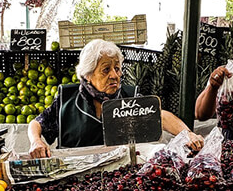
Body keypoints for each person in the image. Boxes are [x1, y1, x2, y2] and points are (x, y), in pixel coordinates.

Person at [28, 39, 204, 157]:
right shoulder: (67, 99)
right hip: (75, 178)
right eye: (106, 69)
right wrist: (36, 141)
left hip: (119, 181)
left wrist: (187, 134)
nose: (115, 75)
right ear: (88, 74)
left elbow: (160, 116)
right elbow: (37, 123)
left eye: (117, 68)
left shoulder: (129, 96)